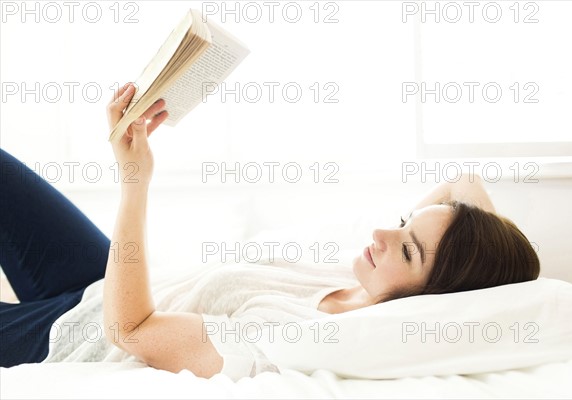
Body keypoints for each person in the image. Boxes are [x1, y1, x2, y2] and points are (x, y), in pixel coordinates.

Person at [0, 83, 540, 379]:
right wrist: (479, 253)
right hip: (100, 280)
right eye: (401, 224)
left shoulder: (297, 342)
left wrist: (135, 180)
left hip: (75, 336)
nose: (379, 232)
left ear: (431, 300)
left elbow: (131, 332)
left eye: (406, 246)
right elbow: (465, 185)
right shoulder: (361, 277)